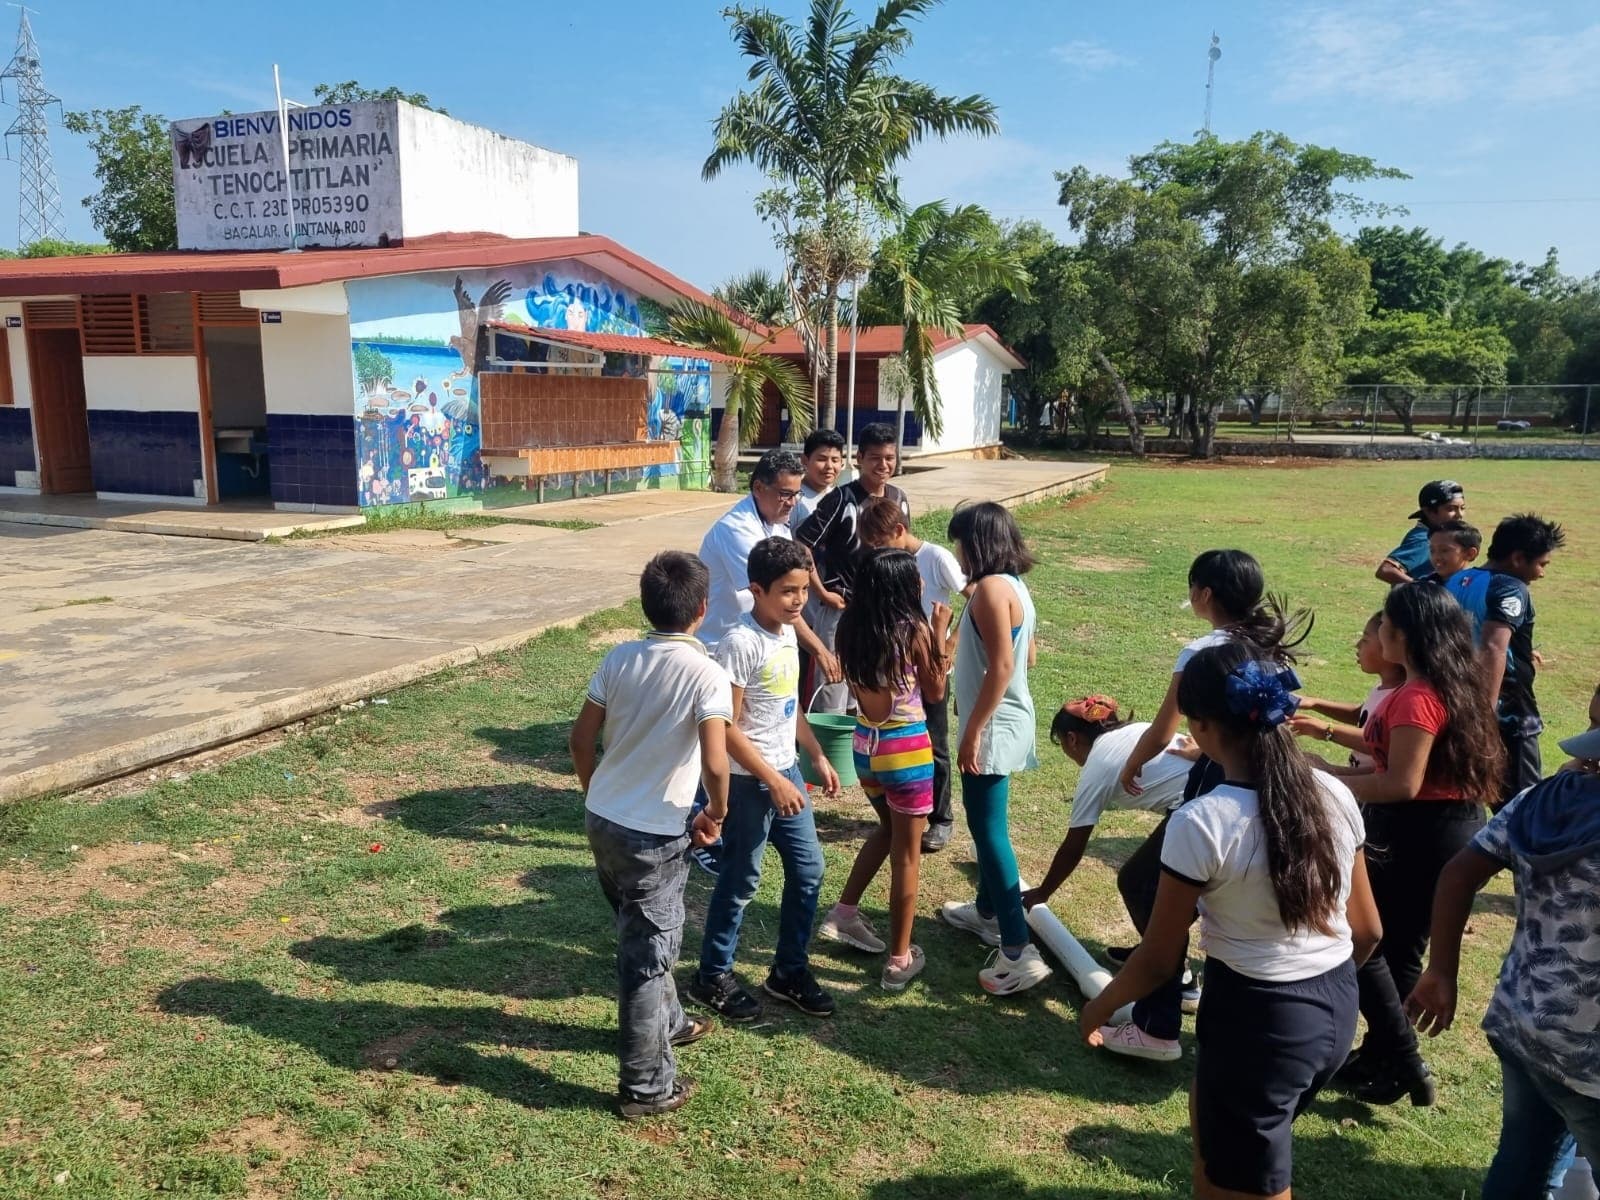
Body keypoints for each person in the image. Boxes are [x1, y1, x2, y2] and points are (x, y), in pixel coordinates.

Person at [1081, 644, 1381, 1200]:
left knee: (1252, 1181)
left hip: (1258, 1017)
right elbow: (1367, 932)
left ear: (1200, 726)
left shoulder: (1202, 822)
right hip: (1335, 1003)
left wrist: (1098, 1008)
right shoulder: (1335, 792)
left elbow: (1158, 960)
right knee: (1219, 1142)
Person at [1107, 549, 1311, 1059]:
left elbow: (1163, 727)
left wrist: (1132, 764)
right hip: (1270, 773)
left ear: (1204, 594)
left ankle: (1157, 1021)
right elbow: (1267, 719)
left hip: (1222, 780)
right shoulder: (1269, 646)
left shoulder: (1202, 651)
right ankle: (1176, 986)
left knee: (1146, 884)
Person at [568, 551, 733, 1120]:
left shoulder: (619, 657)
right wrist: (717, 812)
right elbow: (716, 761)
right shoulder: (707, 673)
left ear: (646, 604)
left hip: (603, 820)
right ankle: (646, 1087)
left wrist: (596, 790)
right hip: (653, 836)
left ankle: (673, 1022)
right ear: (702, 609)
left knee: (640, 931)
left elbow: (580, 740)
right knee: (645, 959)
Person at [1405, 724, 1600, 1197]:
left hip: (1522, 1023)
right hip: (1589, 1060)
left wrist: (1441, 971)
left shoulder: (1541, 800)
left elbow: (1458, 874)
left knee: (1522, 1164)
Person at [1336, 583, 1504, 1108]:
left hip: (1419, 832)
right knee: (1392, 946)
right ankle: (1382, 1055)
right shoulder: (1444, 683)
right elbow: (1397, 762)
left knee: (1370, 943)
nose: (1378, 631)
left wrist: (1328, 783)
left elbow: (1401, 784)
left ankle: (1401, 1059)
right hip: (1439, 825)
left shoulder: (1416, 696)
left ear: (1405, 635)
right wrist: (1326, 764)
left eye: (1385, 624)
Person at [689, 538, 842, 1023]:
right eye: (788, 592)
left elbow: (787, 706)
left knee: (809, 870)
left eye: (803, 590)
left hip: (787, 774)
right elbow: (725, 726)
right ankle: (712, 974)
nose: (799, 601)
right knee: (740, 880)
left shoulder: (788, 632)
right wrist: (771, 779)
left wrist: (815, 754)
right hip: (749, 784)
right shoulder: (740, 643)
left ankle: (788, 972)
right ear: (756, 590)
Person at [694, 448, 839, 875]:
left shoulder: (775, 519)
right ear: (758, 488)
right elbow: (778, 600)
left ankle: (728, 820)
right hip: (725, 648)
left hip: (763, 642)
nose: (792, 502)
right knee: (720, 737)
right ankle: (707, 828)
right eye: (784, 494)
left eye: (796, 494)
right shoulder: (736, 530)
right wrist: (820, 649)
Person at [1021, 696, 1205, 1030]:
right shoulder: (1134, 732)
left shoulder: (1098, 765)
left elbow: (1074, 845)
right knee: (1161, 884)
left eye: (1062, 744)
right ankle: (1157, 947)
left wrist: (1042, 893)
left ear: (1072, 739)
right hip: (1206, 794)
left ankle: (1179, 981)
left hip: (1198, 803)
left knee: (1137, 884)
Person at [936, 502, 1054, 996]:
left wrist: (972, 730)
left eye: (960, 543)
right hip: (1009, 720)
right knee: (988, 826)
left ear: (977, 543)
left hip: (993, 727)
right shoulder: (1015, 587)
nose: (958, 553)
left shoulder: (988, 591)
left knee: (988, 833)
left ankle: (1017, 949)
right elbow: (1028, 655)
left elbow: (1003, 666)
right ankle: (987, 912)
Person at [820, 547, 950, 991]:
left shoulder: (850, 629)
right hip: (906, 751)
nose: (921, 583)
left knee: (888, 830)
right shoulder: (914, 630)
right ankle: (899, 960)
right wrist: (940, 633)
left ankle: (844, 913)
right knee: (907, 856)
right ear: (902, 586)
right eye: (915, 578)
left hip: (866, 746)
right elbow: (935, 691)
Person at [857, 495, 972, 854]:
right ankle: (903, 808)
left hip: (930, 662)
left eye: (879, 542)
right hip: (898, 669)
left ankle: (940, 818)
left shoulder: (935, 558)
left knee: (934, 743)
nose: (875, 550)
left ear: (899, 530)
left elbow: (974, 595)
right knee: (905, 740)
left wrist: (949, 640)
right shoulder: (885, 564)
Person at [1444, 513, 1566, 805]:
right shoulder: (1510, 587)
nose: (1542, 573)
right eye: (1541, 564)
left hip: (1456, 701)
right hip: (1507, 714)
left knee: (1472, 791)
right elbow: (1492, 647)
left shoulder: (1459, 579)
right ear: (1518, 558)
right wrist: (1485, 715)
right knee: (1522, 806)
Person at [795, 423, 912, 713]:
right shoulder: (840, 499)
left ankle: (863, 742)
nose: (883, 465)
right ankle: (826, 742)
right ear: (859, 458)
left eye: (889, 458)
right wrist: (821, 592)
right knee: (833, 689)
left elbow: (904, 548)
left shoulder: (899, 499)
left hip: (884, 613)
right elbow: (801, 544)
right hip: (842, 611)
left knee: (872, 691)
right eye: (875, 458)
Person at [1291, 612, 1406, 771]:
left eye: (1365, 639)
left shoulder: (1401, 699)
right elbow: (1361, 715)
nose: (1357, 645)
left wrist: (1326, 730)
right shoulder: (1384, 688)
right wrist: (1314, 703)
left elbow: (1382, 745)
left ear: (1389, 646)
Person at [1375, 480, 1466, 586]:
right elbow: (1386, 570)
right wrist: (1423, 589)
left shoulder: (1437, 536)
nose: (1460, 515)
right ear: (1429, 512)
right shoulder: (1425, 539)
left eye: (1462, 508)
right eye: (1450, 509)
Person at [791, 428, 845, 529]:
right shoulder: (792, 499)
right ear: (804, 460)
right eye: (821, 459)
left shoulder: (839, 497)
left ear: (841, 463)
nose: (829, 466)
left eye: (835, 460)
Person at [1426, 519, 1481, 584]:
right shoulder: (1424, 585)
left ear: (1469, 554)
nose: (1436, 557)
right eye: (1432, 550)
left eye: (1444, 550)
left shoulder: (1479, 586)